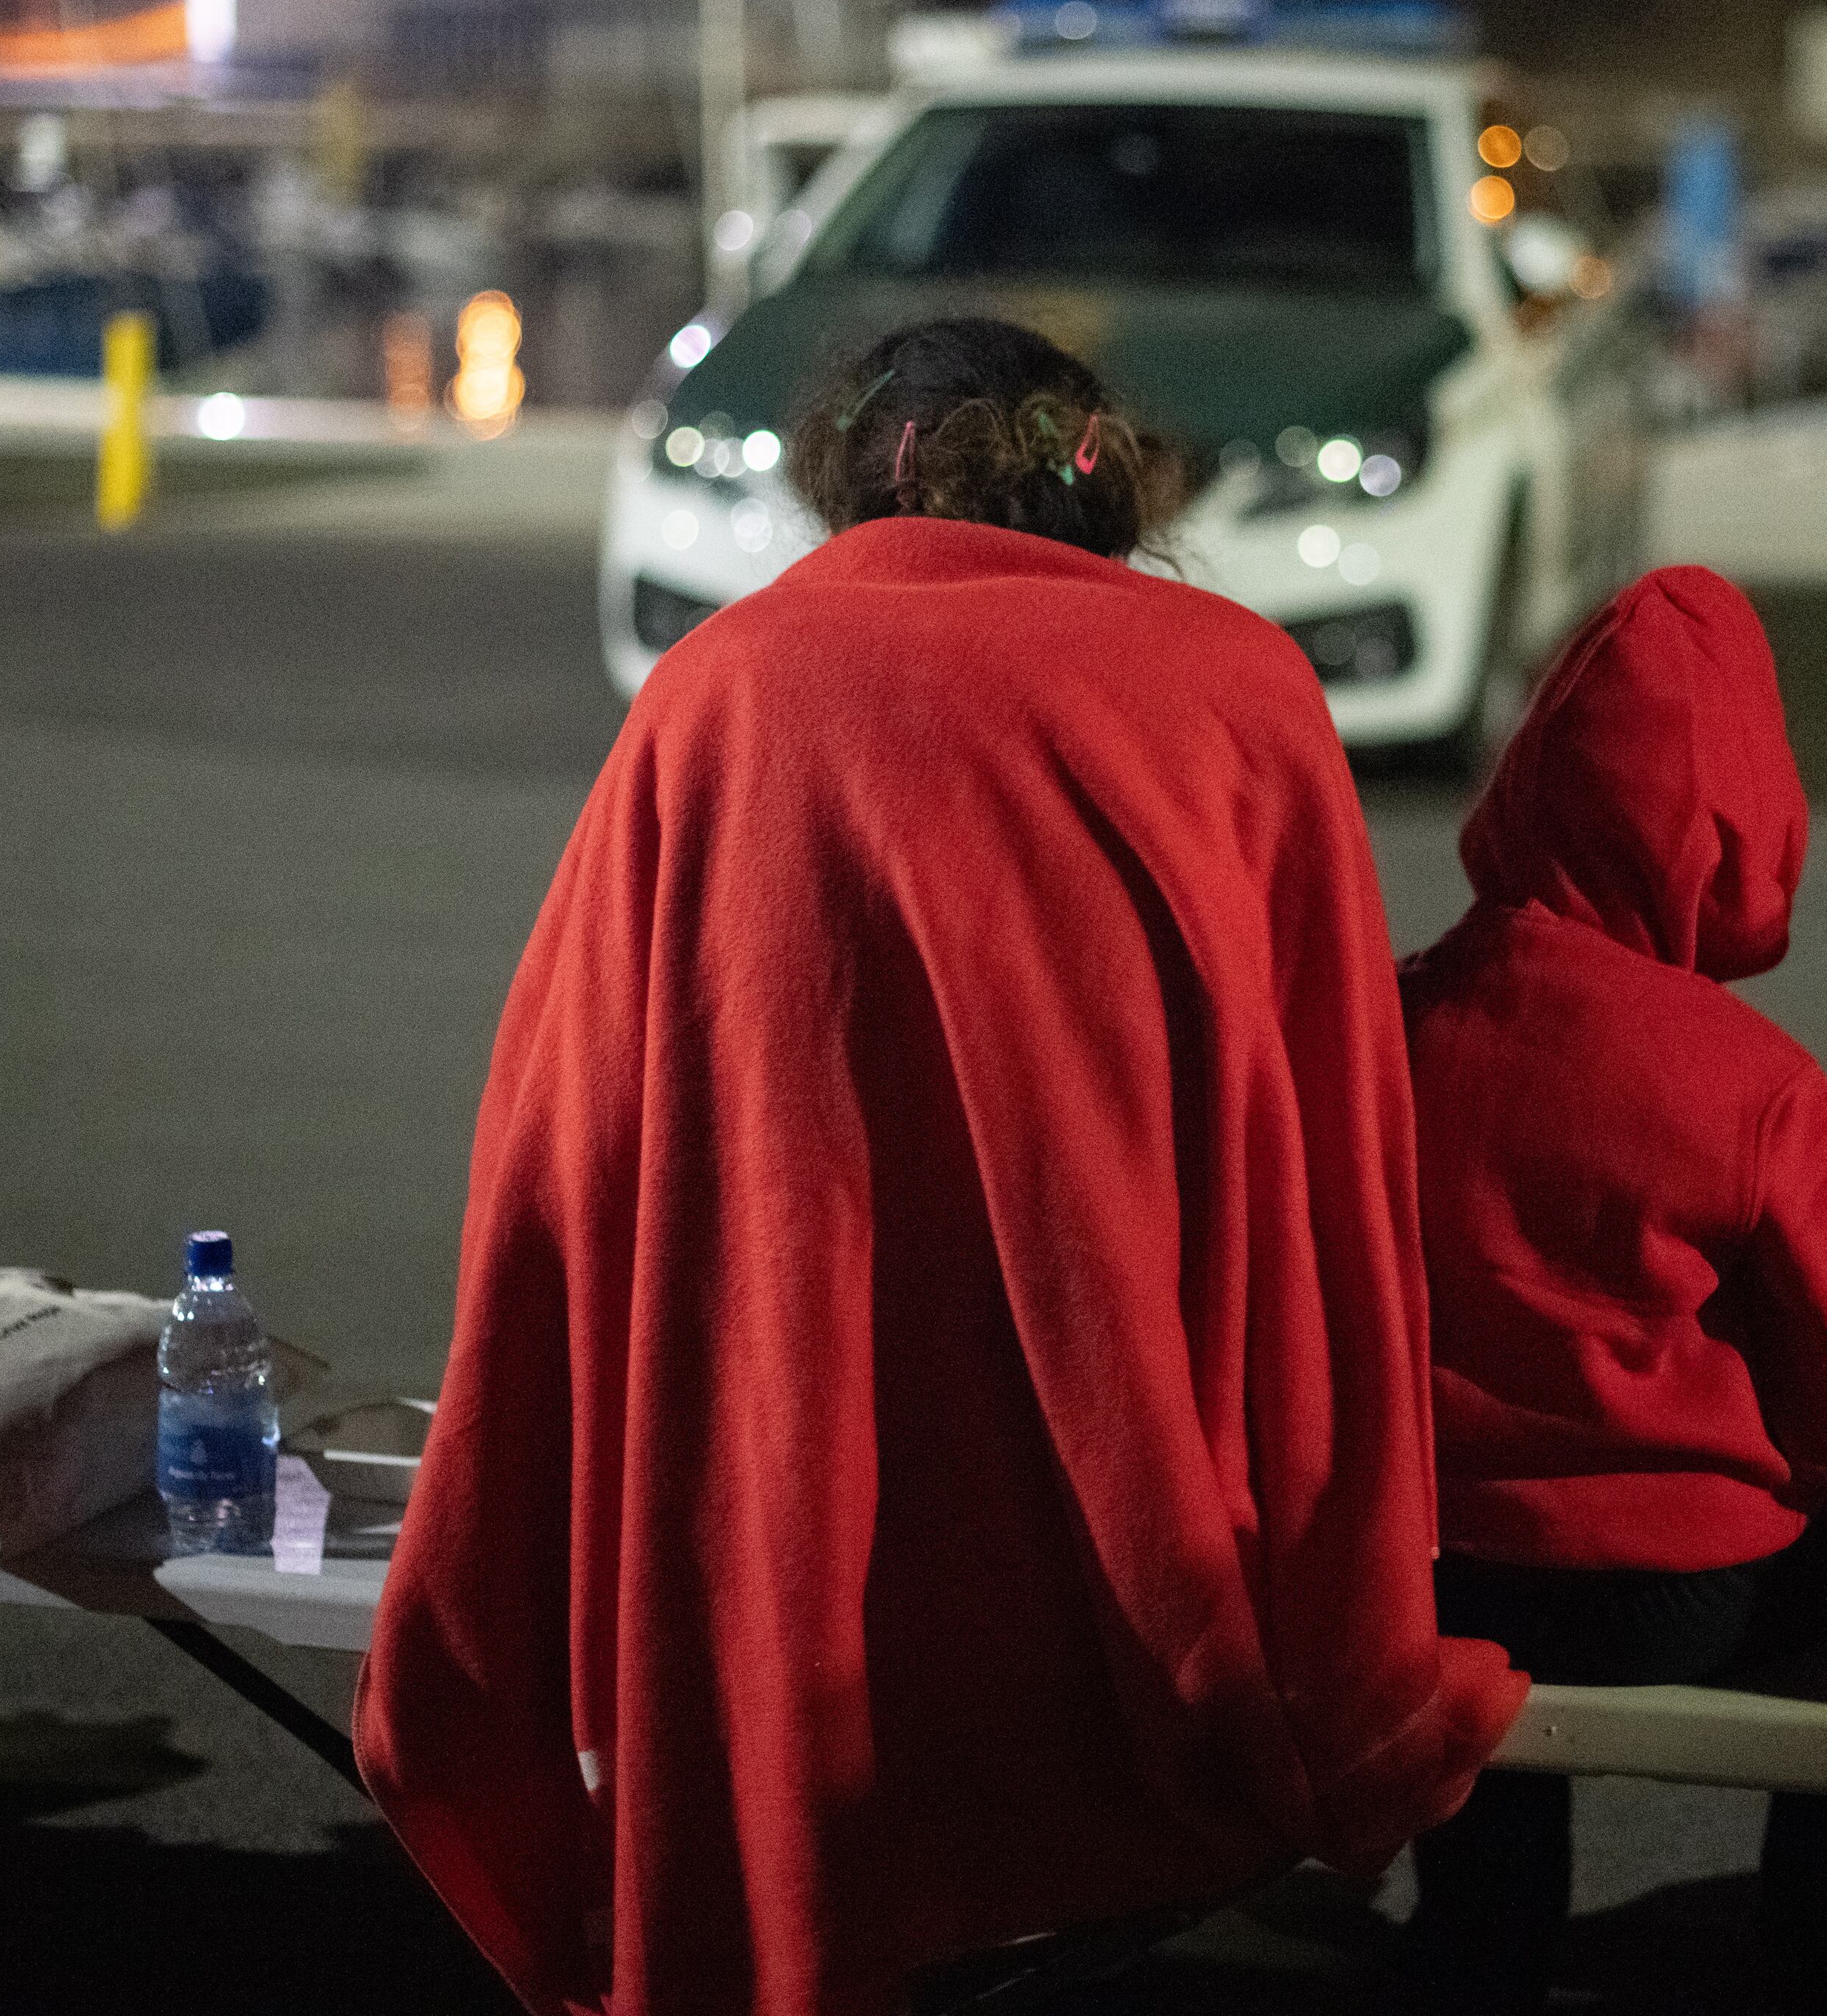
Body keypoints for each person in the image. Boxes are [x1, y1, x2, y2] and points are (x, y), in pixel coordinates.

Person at [359, 317, 1526, 2016]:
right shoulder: (1236, 686)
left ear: (847, 475)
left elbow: (566, 1132)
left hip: (778, 1488)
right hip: (1134, 1509)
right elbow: (1328, 1142)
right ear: (1107, 478)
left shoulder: (722, 688)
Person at [1395, 566, 1827, 2015]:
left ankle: (1480, 1944)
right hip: (1670, 1598)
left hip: (1421, 1561)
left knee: (1480, 1678)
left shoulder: (1390, 1019)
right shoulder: (1750, 1083)